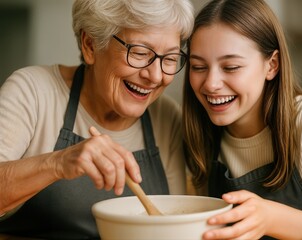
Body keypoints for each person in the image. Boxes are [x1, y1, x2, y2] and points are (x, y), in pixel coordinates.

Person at [0, 0, 194, 238]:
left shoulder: (166, 116)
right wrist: (58, 163)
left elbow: (170, 229)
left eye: (171, 59)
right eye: (140, 53)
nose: (155, 76)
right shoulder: (32, 91)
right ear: (90, 44)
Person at [183, 0, 302, 239]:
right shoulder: (202, 133)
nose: (211, 84)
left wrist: (272, 219)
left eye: (231, 67)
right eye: (198, 66)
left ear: (272, 65)